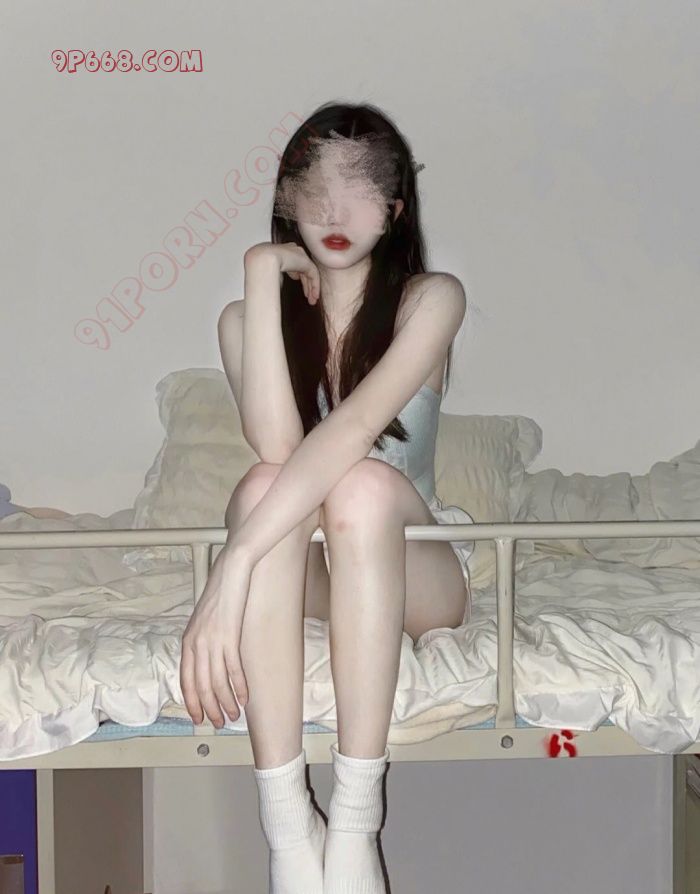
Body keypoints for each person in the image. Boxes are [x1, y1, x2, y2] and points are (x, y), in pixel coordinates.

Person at [179, 101, 475, 893]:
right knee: (266, 484)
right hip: (309, 570)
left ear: (396, 208)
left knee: (363, 485)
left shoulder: (431, 299)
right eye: (315, 188)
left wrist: (230, 569)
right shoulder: (245, 320)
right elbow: (281, 453)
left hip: (412, 569)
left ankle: (353, 821)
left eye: (362, 187)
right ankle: (287, 827)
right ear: (288, 200)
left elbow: (350, 435)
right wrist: (259, 272)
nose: (335, 211)